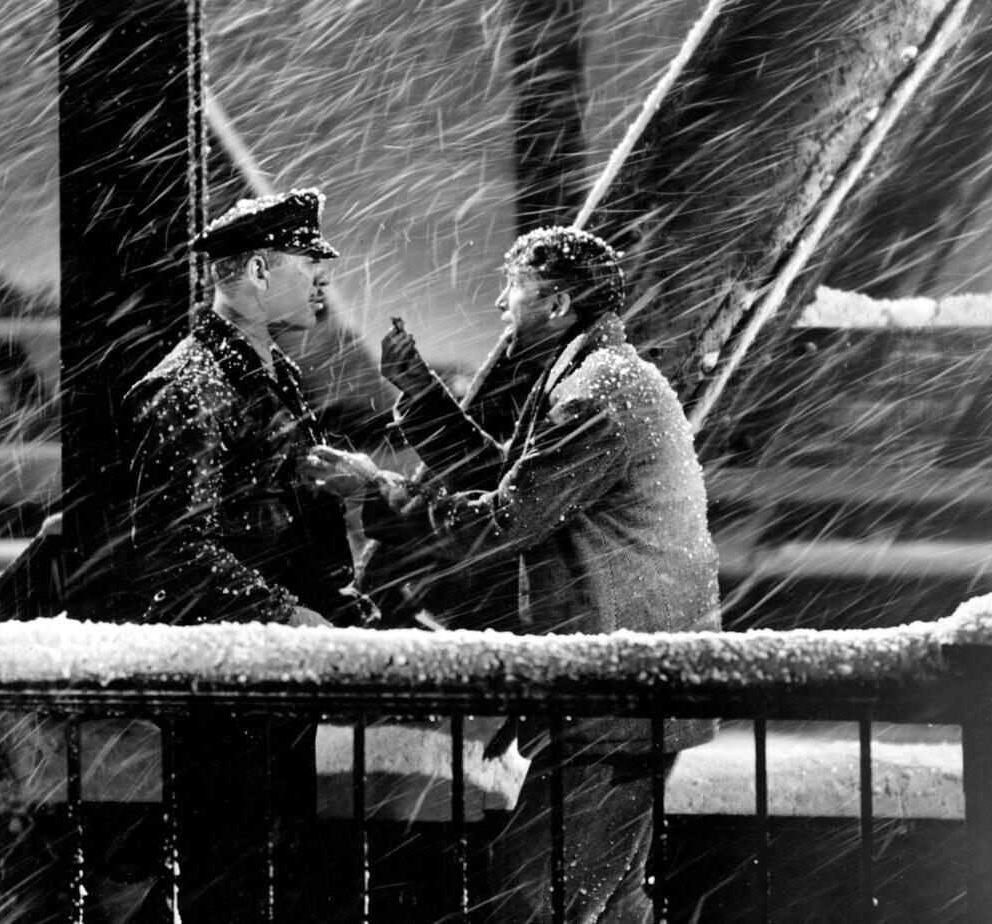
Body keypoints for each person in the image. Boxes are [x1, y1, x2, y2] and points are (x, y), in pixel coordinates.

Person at [301, 226, 720, 923]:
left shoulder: (599, 394)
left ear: (554, 303)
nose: (500, 302)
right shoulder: (595, 376)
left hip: (611, 700)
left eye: (513, 287)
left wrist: (376, 489)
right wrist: (419, 390)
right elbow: (509, 476)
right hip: (633, 691)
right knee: (609, 902)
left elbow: (505, 519)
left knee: (530, 902)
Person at [121, 188, 377, 920]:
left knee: (274, 871)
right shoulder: (189, 387)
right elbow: (176, 551)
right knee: (234, 879)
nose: (326, 276)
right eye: (310, 262)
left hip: (268, 681)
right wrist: (286, 613)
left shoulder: (267, 374)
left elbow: (282, 526)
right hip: (229, 689)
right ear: (259, 270)